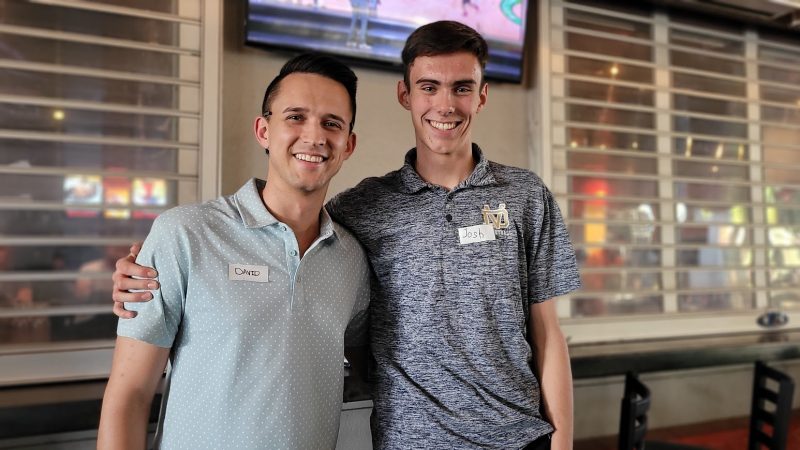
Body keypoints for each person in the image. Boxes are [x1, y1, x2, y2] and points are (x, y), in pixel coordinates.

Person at [112, 21, 580, 449]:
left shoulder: (522, 196)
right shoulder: (358, 210)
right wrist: (144, 265)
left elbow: (548, 335)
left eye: (462, 88)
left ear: (481, 96)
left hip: (521, 438)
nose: (445, 104)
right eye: (429, 87)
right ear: (406, 95)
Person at [97, 53, 370, 449]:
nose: (314, 136)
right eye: (295, 116)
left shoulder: (352, 259)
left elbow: (374, 361)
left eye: (332, 123)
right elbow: (128, 395)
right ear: (263, 130)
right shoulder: (184, 234)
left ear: (349, 144)